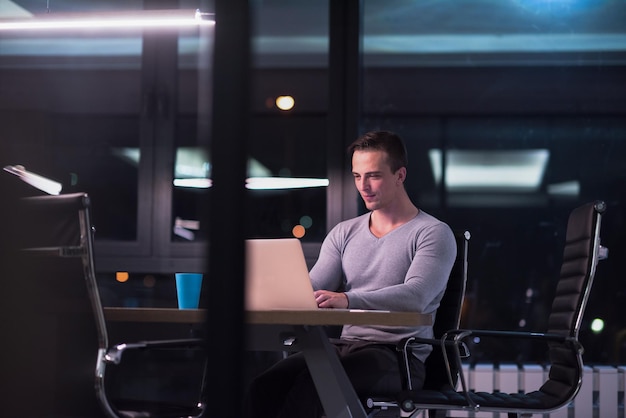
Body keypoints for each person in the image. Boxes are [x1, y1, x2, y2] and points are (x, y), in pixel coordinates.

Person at [244, 130, 457, 418]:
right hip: (342, 347)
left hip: (397, 357)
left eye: (374, 175)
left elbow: (416, 296)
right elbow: (312, 288)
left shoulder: (433, 233)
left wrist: (347, 299)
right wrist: (271, 293)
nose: (363, 186)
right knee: (263, 388)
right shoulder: (344, 232)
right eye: (357, 176)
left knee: (313, 387)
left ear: (400, 175)